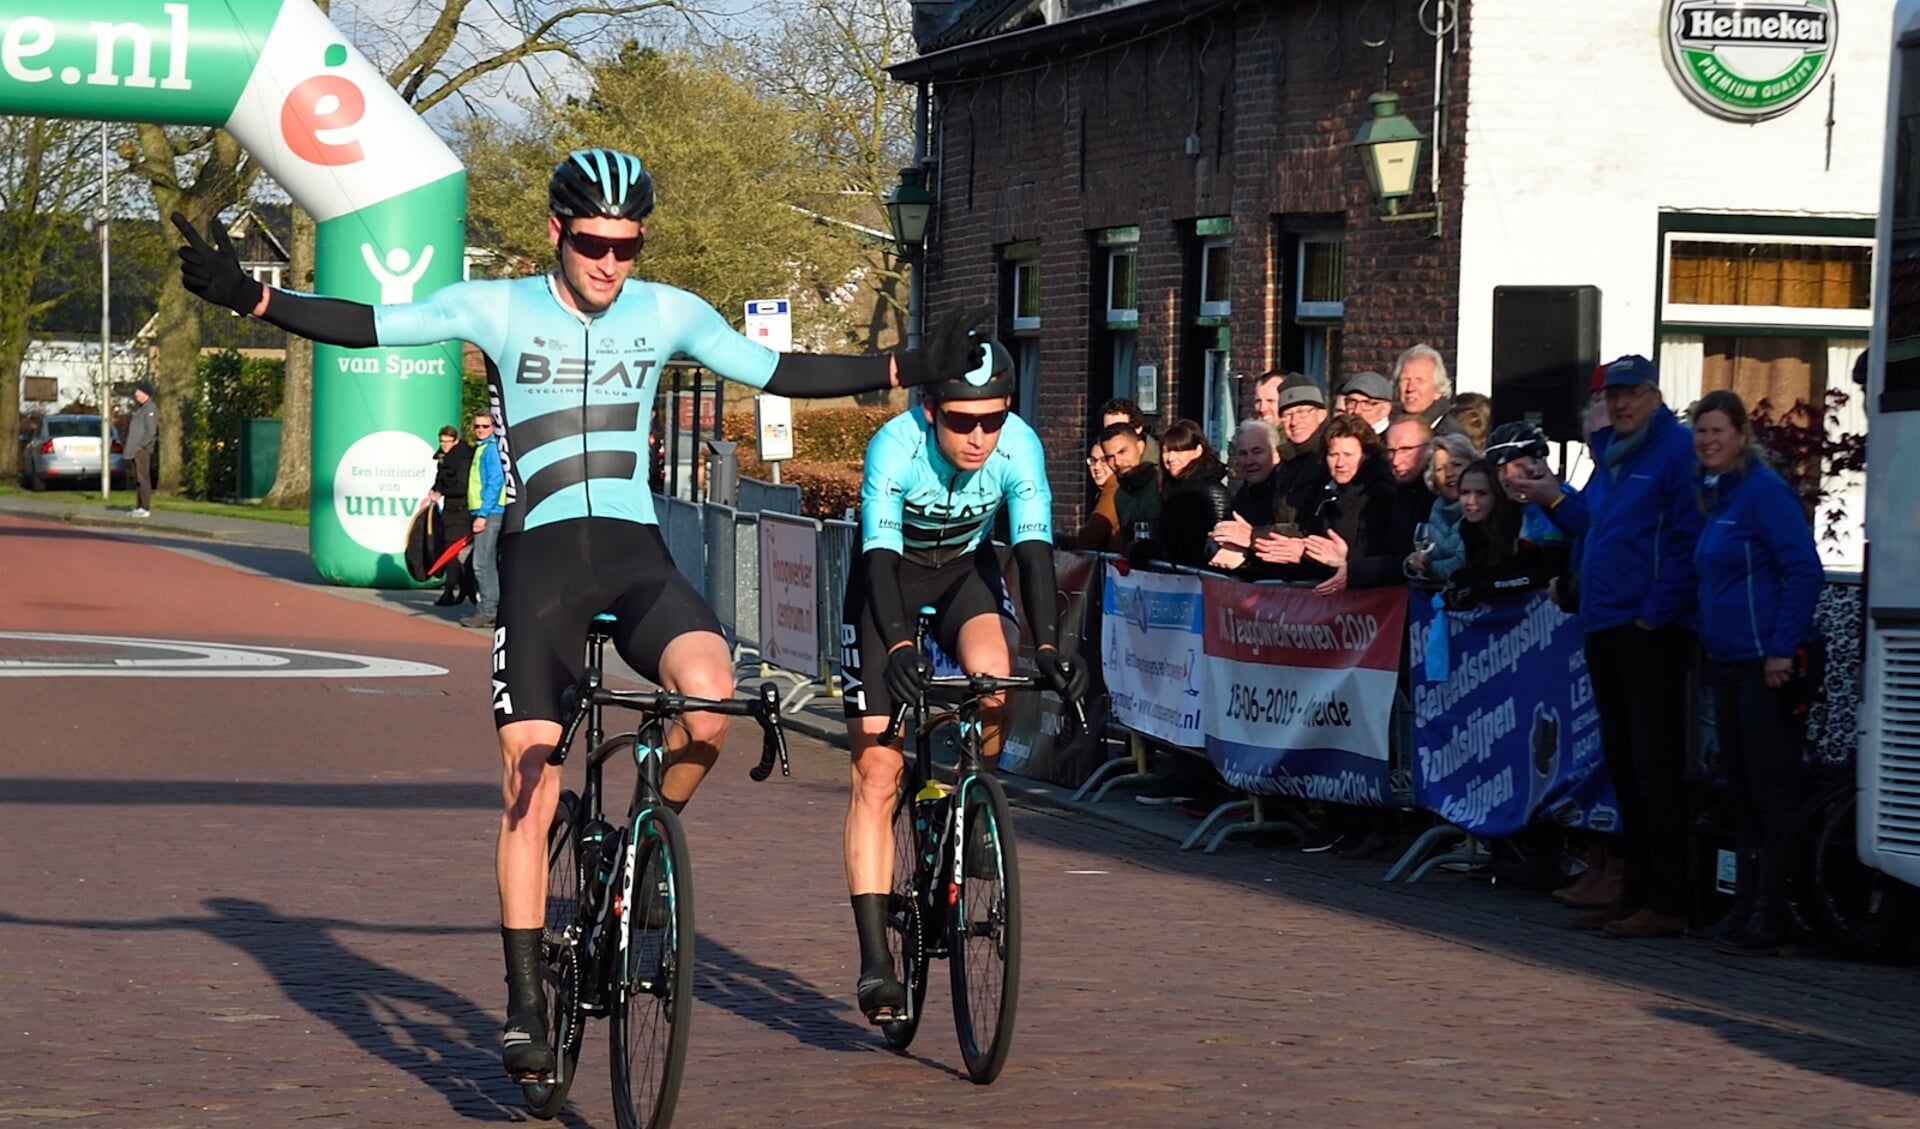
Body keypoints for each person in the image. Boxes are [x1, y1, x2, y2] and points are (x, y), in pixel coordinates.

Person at [173, 147, 986, 1079]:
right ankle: (524, 1001)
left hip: (636, 556)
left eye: (629, 245)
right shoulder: (499, 303)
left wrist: (907, 362)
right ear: (557, 232)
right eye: (595, 242)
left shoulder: (668, 309)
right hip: (546, 563)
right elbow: (372, 324)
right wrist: (255, 300)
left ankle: (638, 848)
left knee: (712, 698)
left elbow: (779, 368)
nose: (611, 263)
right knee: (532, 779)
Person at [840, 341, 1088, 1022]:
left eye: (993, 419)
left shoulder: (1020, 446)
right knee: (878, 771)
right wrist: (895, 646)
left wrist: (1045, 645)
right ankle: (874, 962)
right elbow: (881, 560)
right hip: (886, 577)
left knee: (996, 679)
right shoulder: (894, 445)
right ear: (930, 411)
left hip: (962, 575)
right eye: (961, 421)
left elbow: (1033, 548)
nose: (979, 436)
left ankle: (970, 794)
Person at [1506, 354, 1704, 940]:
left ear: (1654, 396)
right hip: (1605, 623)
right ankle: (1636, 890)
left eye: (1630, 393)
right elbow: (1596, 527)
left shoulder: (1674, 451)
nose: (1619, 404)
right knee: (1623, 763)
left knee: (1655, 765)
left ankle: (1667, 897)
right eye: (1612, 394)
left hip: (1649, 632)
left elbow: (1686, 541)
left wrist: (1654, 613)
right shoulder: (1614, 455)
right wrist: (1552, 501)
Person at [1687, 389, 1823, 954]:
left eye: (1718, 431)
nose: (1708, 441)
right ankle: (1743, 907)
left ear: (1742, 434)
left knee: (1770, 789)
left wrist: (1780, 647)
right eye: (1701, 432)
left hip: (1766, 663)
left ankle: (1775, 912)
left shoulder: (1764, 494)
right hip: (1726, 660)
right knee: (1739, 791)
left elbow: (1803, 570)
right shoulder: (1716, 497)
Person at [1281, 414, 1395, 590]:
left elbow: (1381, 555)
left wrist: (1344, 559)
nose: (1340, 463)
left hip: (1369, 602)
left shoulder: (1380, 494)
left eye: (1348, 455)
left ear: (1366, 455)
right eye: (1333, 455)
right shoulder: (1324, 491)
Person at [1443, 460, 1567, 607]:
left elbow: (1545, 575)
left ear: (1498, 495)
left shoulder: (1527, 518)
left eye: (1481, 493)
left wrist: (1485, 588)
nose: (1470, 501)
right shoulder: (1469, 526)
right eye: (1464, 493)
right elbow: (1482, 571)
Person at [1341, 416, 1436, 590]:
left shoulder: (1439, 496)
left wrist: (1354, 569)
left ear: (1430, 449)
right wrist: (1346, 558)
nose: (1396, 460)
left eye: (1406, 449)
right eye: (1390, 451)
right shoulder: (1393, 495)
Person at [1146, 419, 1232, 567]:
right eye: (1166, 451)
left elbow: (1217, 544)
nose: (1171, 458)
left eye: (1179, 450)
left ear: (1198, 450)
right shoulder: (1169, 489)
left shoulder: (1209, 491)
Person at [1209, 419, 1284, 572]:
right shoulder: (1243, 494)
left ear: (1276, 454)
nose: (1249, 461)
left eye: (1257, 452)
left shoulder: (1285, 493)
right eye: (1243, 454)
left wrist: (1246, 552)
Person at [1407, 431, 1479, 583]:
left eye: (1456, 465)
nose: (1449, 473)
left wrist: (1428, 569)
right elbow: (1418, 554)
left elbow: (1463, 565)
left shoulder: (1482, 508)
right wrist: (1412, 564)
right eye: (1440, 469)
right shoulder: (1428, 508)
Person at [462, 412, 505, 628]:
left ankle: (488, 609)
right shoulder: (483, 448)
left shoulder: (490, 450)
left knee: (482, 563)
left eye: (485, 426)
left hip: (489, 512)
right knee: (483, 562)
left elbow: (495, 482)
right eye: (477, 426)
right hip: (485, 510)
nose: (480, 430)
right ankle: (489, 608)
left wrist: (482, 514)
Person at [426, 424, 475, 606]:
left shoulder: (463, 458)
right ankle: (462, 587)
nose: (444, 445)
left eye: (447, 442)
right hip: (450, 509)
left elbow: (462, 486)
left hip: (461, 509)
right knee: (449, 548)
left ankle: (451, 589)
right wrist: (434, 490)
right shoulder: (445, 457)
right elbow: (441, 478)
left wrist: (441, 491)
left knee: (452, 549)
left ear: (455, 440)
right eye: (442, 442)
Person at [1099, 422, 1161, 556]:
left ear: (1140, 446)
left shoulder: (1164, 478)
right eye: (1110, 457)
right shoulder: (1121, 494)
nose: (1117, 462)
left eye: (1122, 451)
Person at [1070, 442, 1121, 551]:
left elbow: (1092, 535)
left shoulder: (1114, 489)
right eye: (1092, 461)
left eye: (1103, 460)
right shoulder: (1107, 490)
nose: (1096, 467)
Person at [1393, 344, 1454, 432]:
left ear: (1438, 390)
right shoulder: (1394, 432)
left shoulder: (1449, 438)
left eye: (1419, 380)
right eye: (1405, 379)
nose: (1410, 388)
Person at [126, 381, 158, 517]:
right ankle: (139, 506)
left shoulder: (150, 408)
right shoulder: (141, 408)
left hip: (142, 450)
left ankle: (145, 507)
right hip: (135, 449)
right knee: (138, 478)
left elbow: (151, 431)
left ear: (145, 393)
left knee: (143, 477)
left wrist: (141, 445)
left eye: (138, 391)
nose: (135, 394)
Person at [1099, 396, 1160, 465]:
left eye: (1120, 429)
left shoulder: (1160, 464)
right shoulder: (1101, 463)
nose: (1113, 436)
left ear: (1138, 428)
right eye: (1108, 431)